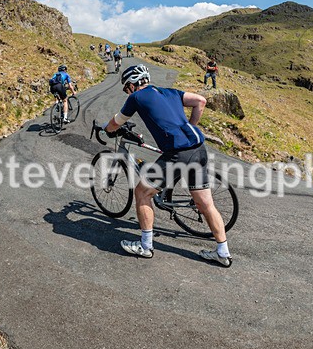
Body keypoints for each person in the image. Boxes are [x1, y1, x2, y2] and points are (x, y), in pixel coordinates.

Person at [95, 64, 232, 267]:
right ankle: (223, 252)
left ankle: (146, 246)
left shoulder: (136, 98)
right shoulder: (170, 92)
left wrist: (106, 130)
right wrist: (190, 127)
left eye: (126, 87)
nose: (127, 91)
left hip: (178, 155)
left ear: (133, 83)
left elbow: (117, 122)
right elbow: (200, 101)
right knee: (206, 205)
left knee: (142, 192)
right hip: (199, 149)